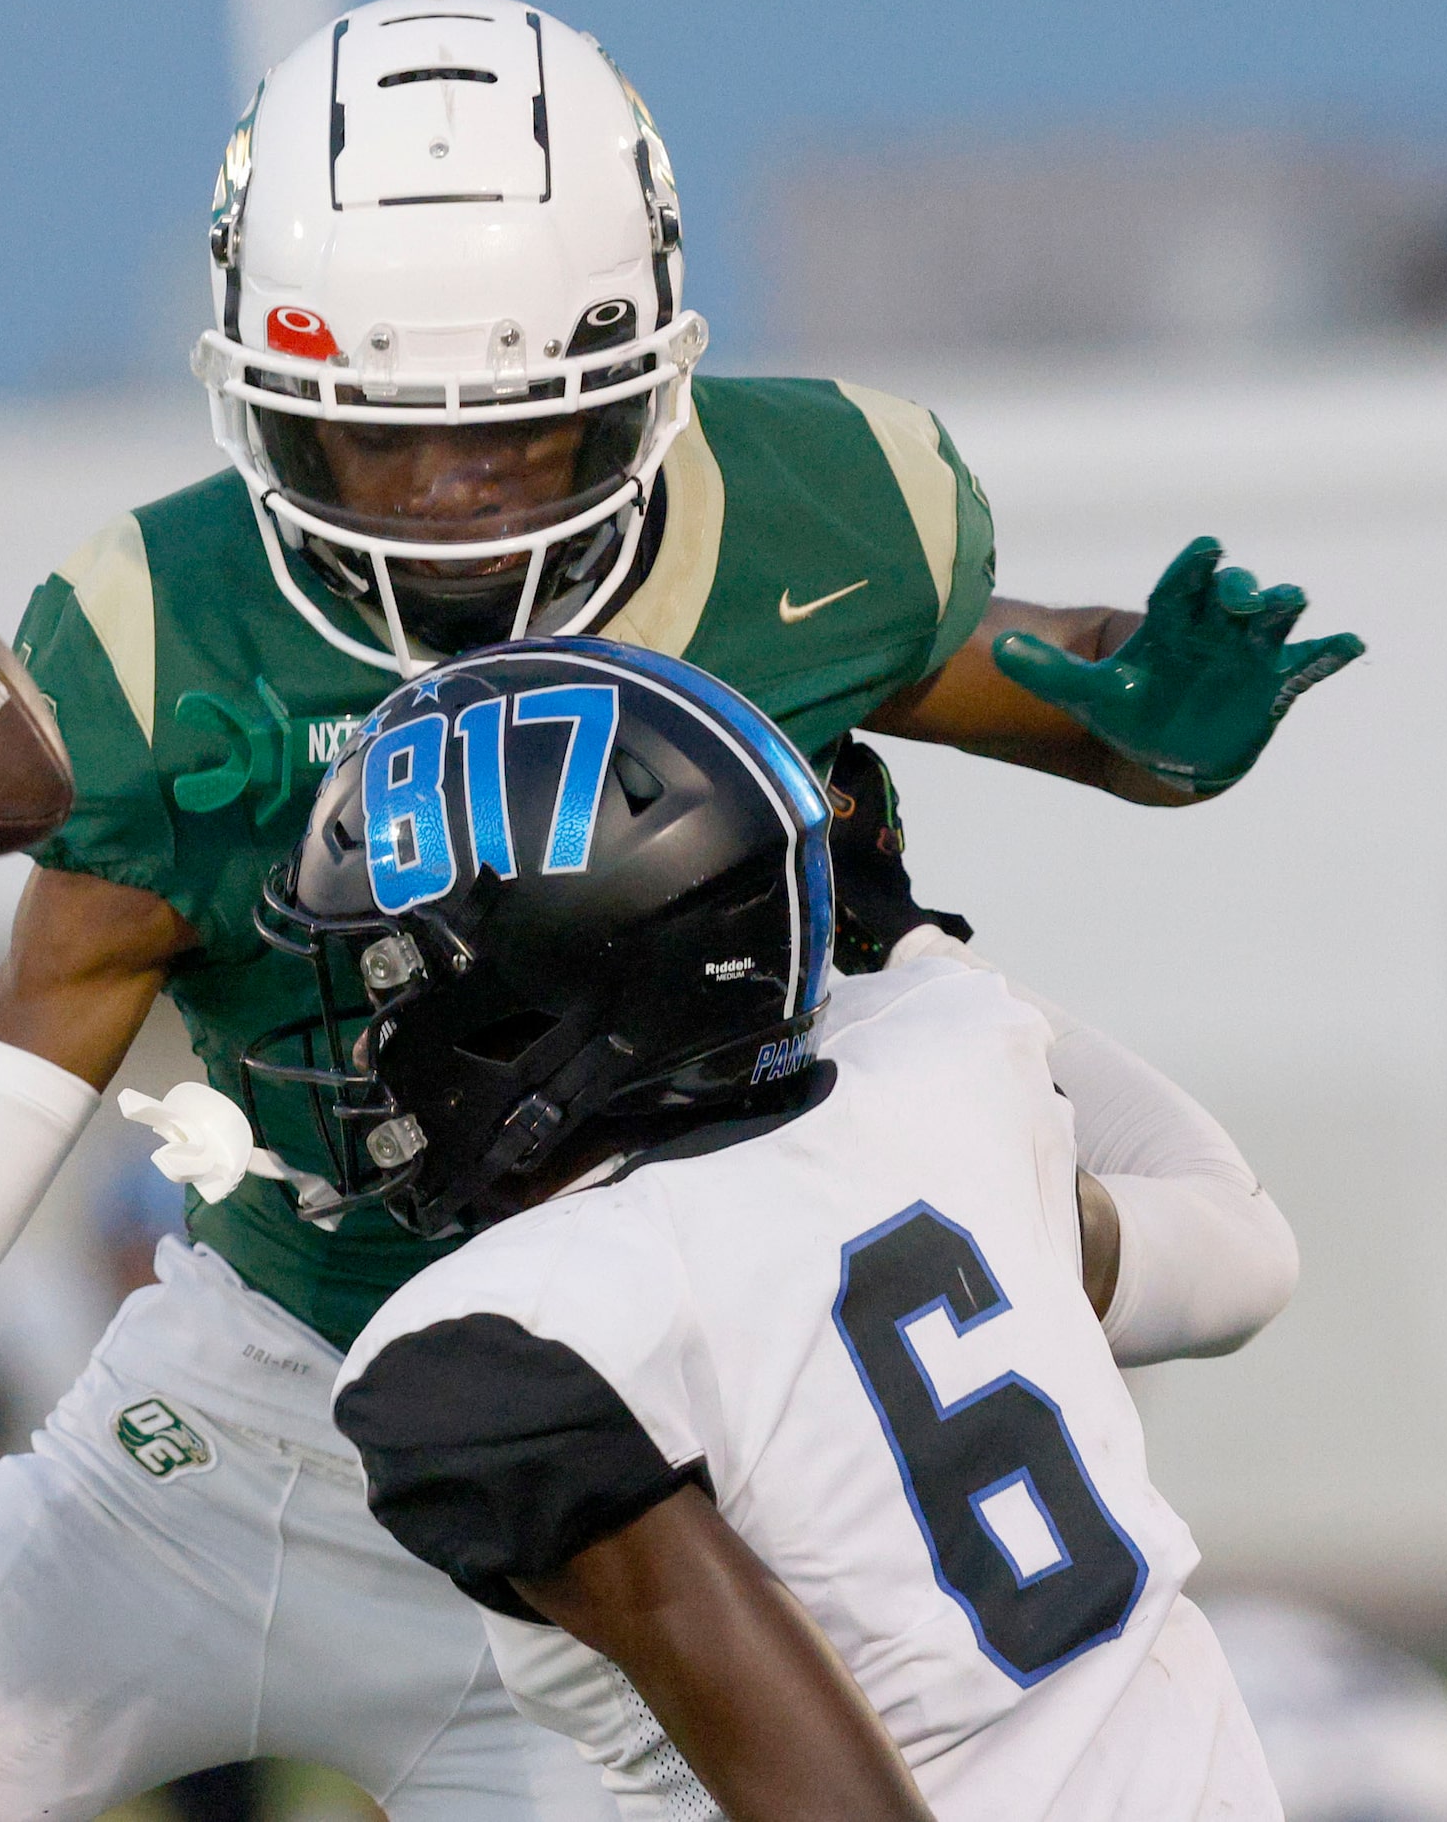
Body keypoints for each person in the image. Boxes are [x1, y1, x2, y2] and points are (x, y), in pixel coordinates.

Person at [0, 0, 1340, 1822]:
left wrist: (1149, 726)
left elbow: (1025, 682)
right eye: (376, 438)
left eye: (521, 435)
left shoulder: (815, 526)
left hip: (632, 1498)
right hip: (240, 1431)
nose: (452, 502)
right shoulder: (163, 651)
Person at [319, 641, 1283, 1819]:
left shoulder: (513, 1339)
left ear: (529, 993)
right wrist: (917, 943)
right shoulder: (944, 1075)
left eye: (388, 987)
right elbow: (1241, 1250)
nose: (369, 1049)